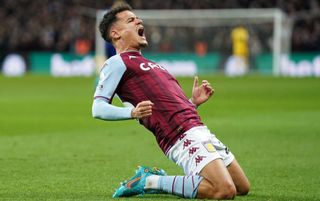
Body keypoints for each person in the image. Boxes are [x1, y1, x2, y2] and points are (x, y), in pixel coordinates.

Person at [92, 3, 250, 200]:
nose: (139, 21)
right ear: (116, 34)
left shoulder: (151, 64)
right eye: (130, 20)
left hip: (198, 128)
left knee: (242, 186)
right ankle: (149, 181)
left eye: (137, 18)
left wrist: (193, 102)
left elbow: (166, 108)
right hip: (180, 135)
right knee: (224, 191)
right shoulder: (117, 63)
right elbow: (97, 108)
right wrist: (131, 113)